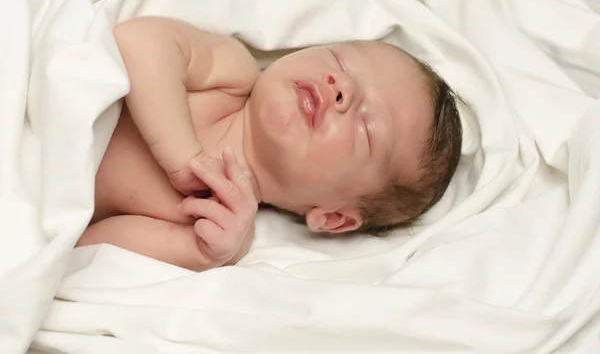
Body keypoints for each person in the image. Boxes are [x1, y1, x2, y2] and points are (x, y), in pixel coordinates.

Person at [77, 16, 463, 271]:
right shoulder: (230, 72)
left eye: (366, 128)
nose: (340, 86)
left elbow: (83, 247)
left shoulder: (220, 229)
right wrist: (183, 157)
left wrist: (196, 252)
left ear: (332, 217)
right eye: (340, 62)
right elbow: (137, 42)